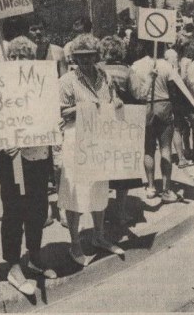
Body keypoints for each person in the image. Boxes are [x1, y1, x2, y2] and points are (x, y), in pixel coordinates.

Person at [0, 36, 57, 297]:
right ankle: (12, 265)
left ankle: (34, 256)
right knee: (13, 213)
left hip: (38, 156)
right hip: (12, 159)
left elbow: (51, 115)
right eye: (15, 56)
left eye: (25, 56)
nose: (20, 61)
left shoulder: (42, 84)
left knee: (38, 210)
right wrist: (1, 141)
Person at [58, 34, 124, 267]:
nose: (85, 61)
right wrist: (84, 107)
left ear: (97, 56)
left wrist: (116, 102)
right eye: (80, 57)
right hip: (76, 140)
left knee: (99, 189)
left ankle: (98, 236)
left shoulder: (105, 76)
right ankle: (75, 242)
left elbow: (113, 98)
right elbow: (61, 112)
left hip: (101, 139)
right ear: (74, 57)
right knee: (75, 191)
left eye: (89, 57)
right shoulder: (67, 81)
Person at [26, 18, 68, 228]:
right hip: (34, 115)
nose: (37, 32)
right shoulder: (25, 53)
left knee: (60, 163)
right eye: (33, 28)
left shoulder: (58, 52)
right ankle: (43, 210)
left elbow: (65, 80)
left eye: (40, 27)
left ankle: (63, 207)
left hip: (55, 113)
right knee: (39, 166)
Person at [99, 35, 144, 225]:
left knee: (102, 167)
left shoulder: (97, 69)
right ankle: (120, 211)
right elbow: (138, 93)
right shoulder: (127, 71)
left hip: (101, 122)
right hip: (122, 121)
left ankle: (99, 213)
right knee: (122, 169)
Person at [130, 40, 180, 203]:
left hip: (145, 107)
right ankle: (166, 189)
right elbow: (174, 89)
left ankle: (151, 186)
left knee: (148, 149)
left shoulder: (136, 65)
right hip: (164, 104)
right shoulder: (166, 65)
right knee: (166, 147)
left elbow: (134, 90)